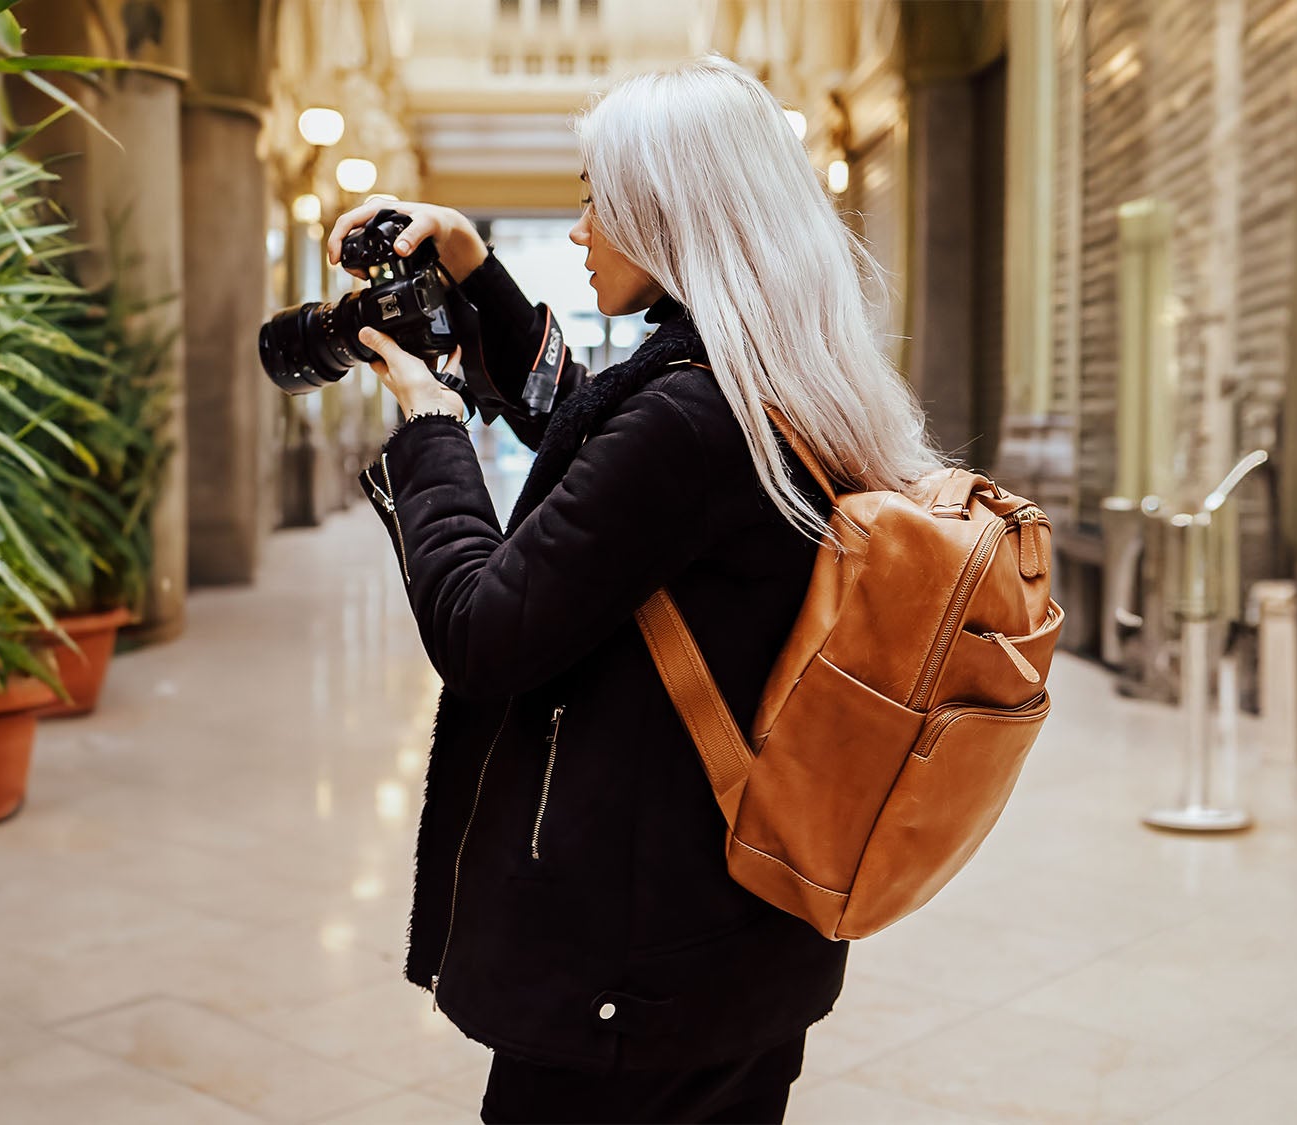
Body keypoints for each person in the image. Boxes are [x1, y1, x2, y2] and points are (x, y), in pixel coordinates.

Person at [326, 56, 946, 1124]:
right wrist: (473, 269)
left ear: (668, 217)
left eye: (592, 201)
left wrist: (431, 426)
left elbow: (481, 631)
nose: (578, 230)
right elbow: (588, 424)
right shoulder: (771, 380)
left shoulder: (693, 418)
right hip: (730, 934)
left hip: (633, 969)